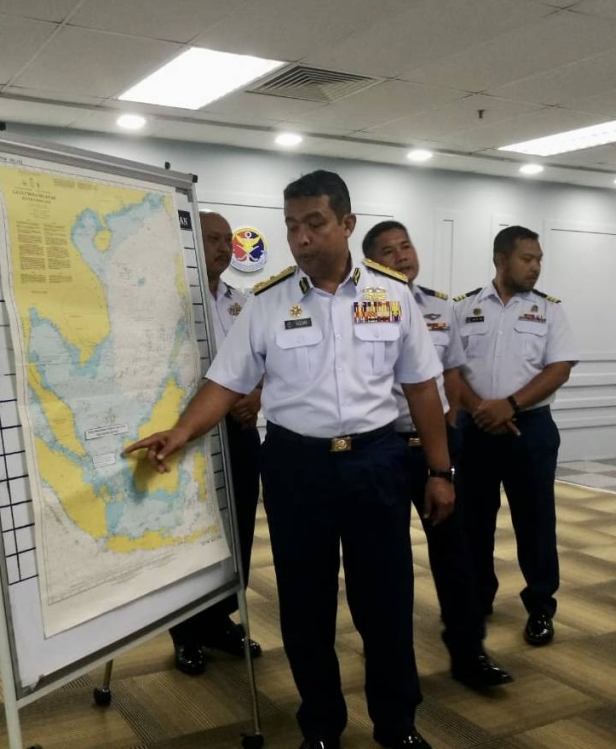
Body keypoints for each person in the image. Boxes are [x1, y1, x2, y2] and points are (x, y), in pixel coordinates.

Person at [126, 170, 453, 749]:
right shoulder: (267, 303)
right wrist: (182, 430)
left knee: (386, 604)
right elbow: (225, 383)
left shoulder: (391, 294)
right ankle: (321, 728)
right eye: (292, 226)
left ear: (347, 224)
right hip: (296, 469)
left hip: (375, 464)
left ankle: (397, 726)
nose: (301, 238)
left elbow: (423, 389)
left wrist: (439, 470)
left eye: (315, 223)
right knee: (305, 607)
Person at [362, 220, 512, 691]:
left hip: (437, 449)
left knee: (455, 554)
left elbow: (450, 377)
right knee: (384, 563)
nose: (402, 255)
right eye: (388, 250)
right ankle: (385, 655)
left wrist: (446, 440)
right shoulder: (361, 310)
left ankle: (469, 654)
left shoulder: (442, 307)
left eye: (406, 245)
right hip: (383, 448)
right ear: (370, 261)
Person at [453, 225, 578, 647]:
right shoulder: (464, 307)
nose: (536, 267)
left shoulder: (550, 311)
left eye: (539, 259)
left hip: (530, 429)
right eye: (528, 258)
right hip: (475, 429)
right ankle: (477, 598)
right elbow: (450, 370)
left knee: (536, 521)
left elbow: (559, 369)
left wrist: (510, 405)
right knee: (473, 521)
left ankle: (541, 606)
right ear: (501, 259)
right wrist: (479, 408)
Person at [169, 210, 263, 676]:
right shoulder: (171, 299)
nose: (224, 248)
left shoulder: (243, 302)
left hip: (241, 430)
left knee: (238, 525)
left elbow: (265, 361)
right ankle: (186, 631)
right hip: (191, 431)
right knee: (195, 533)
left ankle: (220, 618)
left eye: (228, 240)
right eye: (213, 239)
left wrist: (258, 396)